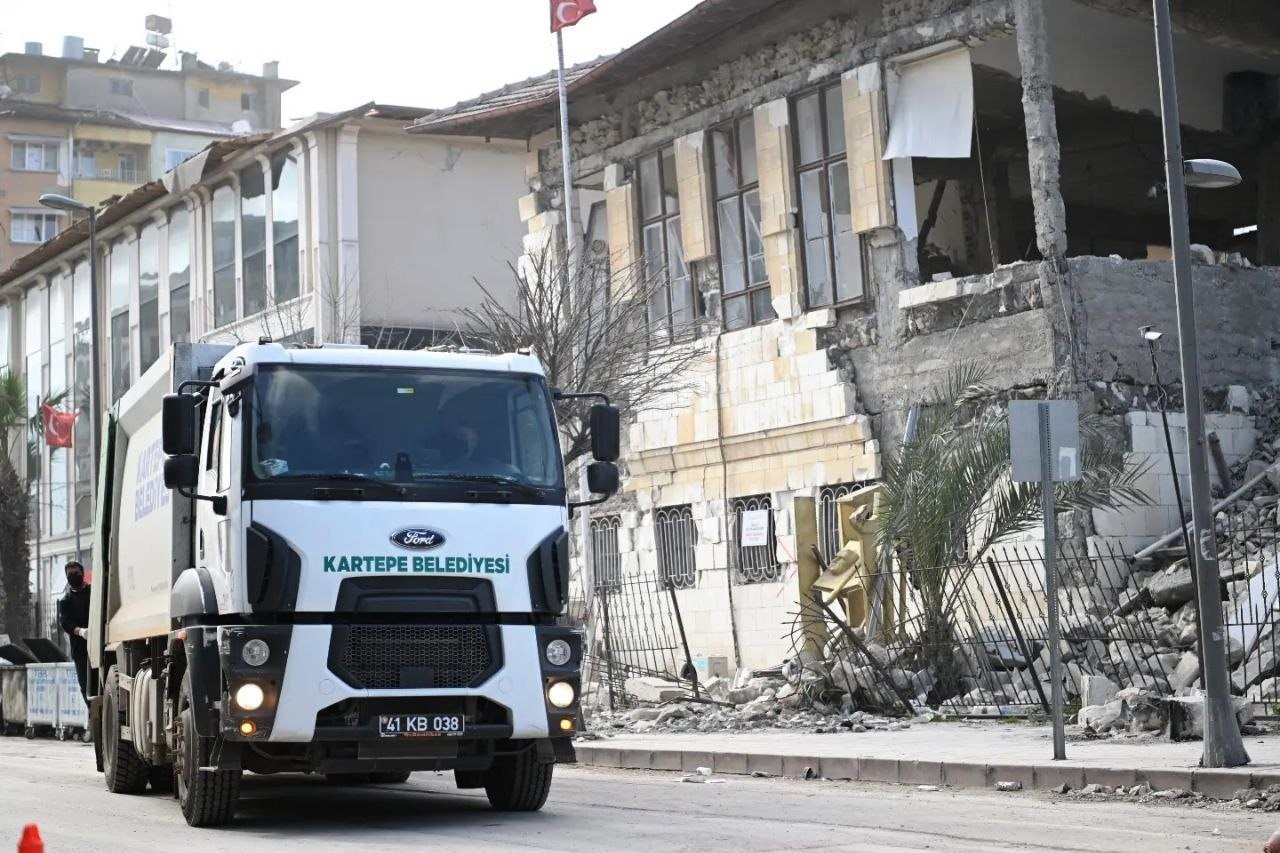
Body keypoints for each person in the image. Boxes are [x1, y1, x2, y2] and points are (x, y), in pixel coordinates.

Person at [57, 560, 91, 702]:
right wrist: (81, 632)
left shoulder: (93, 592)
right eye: (70, 574)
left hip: (100, 642)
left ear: (82, 573)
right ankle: (91, 713)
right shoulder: (65, 601)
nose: (73, 576)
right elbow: (65, 623)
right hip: (80, 649)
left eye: (75, 573)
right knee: (84, 684)